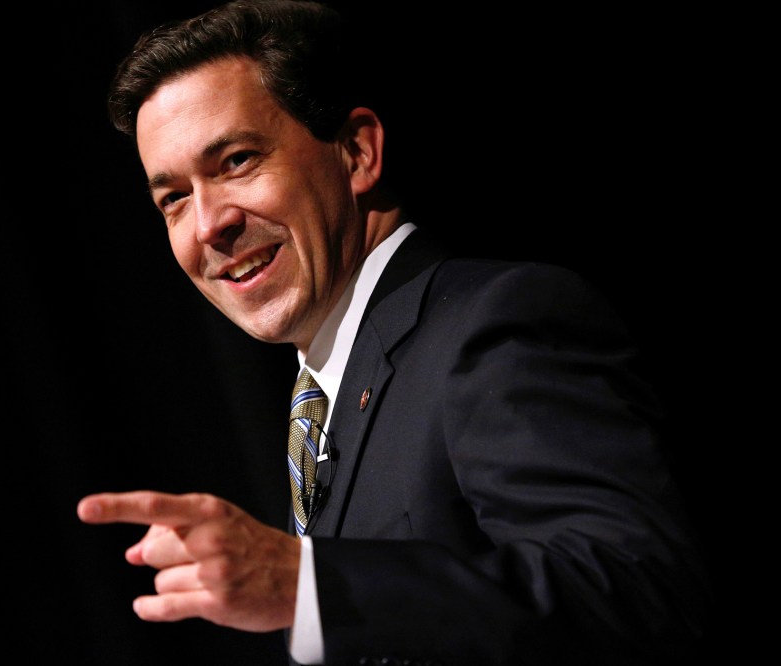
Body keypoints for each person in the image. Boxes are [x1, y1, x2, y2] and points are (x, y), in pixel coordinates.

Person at [76, 1, 710, 664]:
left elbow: (643, 594)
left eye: (236, 160)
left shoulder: (492, 326)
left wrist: (307, 586)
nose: (208, 225)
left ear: (356, 152)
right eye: (173, 197)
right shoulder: (325, 398)